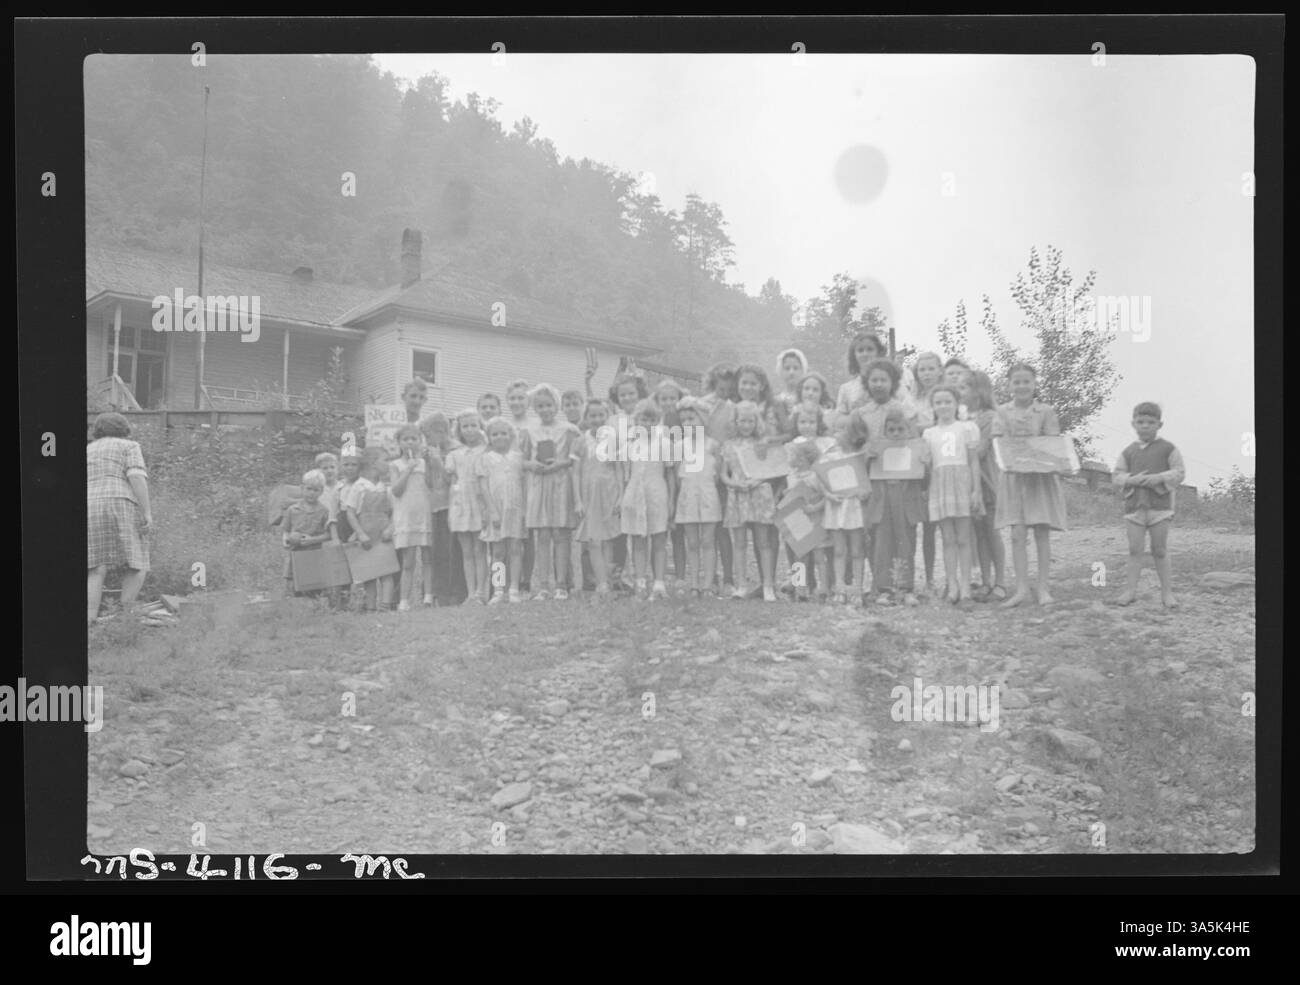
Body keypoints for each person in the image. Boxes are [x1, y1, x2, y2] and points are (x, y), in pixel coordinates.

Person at [992, 363, 1068, 608]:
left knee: (1041, 532)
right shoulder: (1002, 412)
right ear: (1009, 385)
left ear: (1034, 384)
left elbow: (1051, 442)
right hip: (1015, 478)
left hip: (1039, 478)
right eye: (1017, 382)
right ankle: (1022, 588)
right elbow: (999, 443)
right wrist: (1012, 455)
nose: (1022, 386)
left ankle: (1043, 588)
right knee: (1016, 533)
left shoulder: (1045, 411)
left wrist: (1037, 453)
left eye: (1026, 381)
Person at [1113, 402, 1184, 609]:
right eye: (1141, 422)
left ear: (1159, 424)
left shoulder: (1168, 449)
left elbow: (1179, 472)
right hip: (1134, 508)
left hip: (1159, 508)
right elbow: (1116, 476)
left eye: (1150, 422)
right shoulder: (1128, 451)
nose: (1145, 426)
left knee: (1159, 550)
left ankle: (1167, 593)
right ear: (1133, 424)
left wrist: (1158, 478)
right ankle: (1130, 591)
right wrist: (1132, 480)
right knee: (1135, 550)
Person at [87, 412, 153, 625]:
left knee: (96, 566)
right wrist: (146, 512)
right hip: (120, 501)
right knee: (137, 561)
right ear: (124, 429)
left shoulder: (88, 449)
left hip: (89, 503)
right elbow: (136, 476)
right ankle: (124, 616)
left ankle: (89, 619)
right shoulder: (129, 446)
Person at [520, 383, 581, 600]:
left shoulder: (569, 430)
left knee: (560, 534)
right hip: (539, 482)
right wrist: (531, 465)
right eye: (540, 406)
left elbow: (575, 459)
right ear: (535, 408)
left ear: (556, 406)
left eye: (548, 405)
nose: (545, 410)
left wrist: (560, 463)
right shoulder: (529, 430)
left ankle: (561, 584)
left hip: (560, 483)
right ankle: (544, 585)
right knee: (543, 535)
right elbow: (522, 458)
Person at [923, 387, 983, 606]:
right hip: (940, 484)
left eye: (947, 401)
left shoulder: (966, 428)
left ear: (956, 403)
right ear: (933, 406)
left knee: (964, 538)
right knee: (948, 538)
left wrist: (976, 489)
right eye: (938, 402)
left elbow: (973, 460)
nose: (943, 406)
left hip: (962, 483)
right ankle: (953, 585)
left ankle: (966, 587)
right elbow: (927, 464)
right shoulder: (929, 434)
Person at [864, 409, 928, 606]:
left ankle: (905, 588)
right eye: (891, 430)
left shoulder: (915, 449)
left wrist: (926, 466)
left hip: (906, 500)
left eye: (900, 429)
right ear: (885, 431)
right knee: (883, 544)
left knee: (906, 543)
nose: (896, 434)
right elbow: (866, 477)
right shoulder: (877, 449)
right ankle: (884, 588)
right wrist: (868, 459)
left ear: (908, 430)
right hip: (883, 501)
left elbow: (924, 483)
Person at [721, 400, 779, 601]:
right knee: (739, 542)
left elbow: (770, 470)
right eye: (742, 421)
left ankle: (768, 586)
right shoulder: (728, 445)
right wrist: (734, 484)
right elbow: (724, 474)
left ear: (756, 422)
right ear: (735, 421)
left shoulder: (761, 443)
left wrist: (757, 480)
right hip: (738, 494)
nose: (746, 425)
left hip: (759, 493)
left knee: (763, 541)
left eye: (750, 421)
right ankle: (741, 585)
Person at [620, 398, 675, 600]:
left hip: (657, 493)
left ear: (658, 421)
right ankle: (641, 581)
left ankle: (659, 583)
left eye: (652, 420)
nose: (647, 424)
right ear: (637, 421)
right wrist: (622, 497)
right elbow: (624, 474)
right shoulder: (630, 444)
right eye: (644, 419)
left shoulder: (665, 443)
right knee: (638, 540)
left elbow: (670, 474)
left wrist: (670, 501)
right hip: (635, 494)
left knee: (659, 539)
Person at [672, 397, 723, 597]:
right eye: (683, 421)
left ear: (702, 419)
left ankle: (708, 584)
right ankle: (694, 583)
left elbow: (717, 473)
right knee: (692, 542)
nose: (687, 424)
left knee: (708, 541)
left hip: (708, 494)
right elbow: (677, 474)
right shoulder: (680, 446)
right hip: (687, 495)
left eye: (692, 419)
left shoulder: (712, 445)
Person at [572, 397, 623, 600]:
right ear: (586, 418)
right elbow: (575, 472)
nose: (597, 419)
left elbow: (619, 469)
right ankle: (601, 583)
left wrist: (620, 496)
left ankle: (609, 582)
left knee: (609, 538)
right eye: (592, 415)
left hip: (609, 492)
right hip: (589, 495)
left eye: (601, 415)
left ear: (607, 417)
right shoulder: (580, 441)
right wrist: (577, 500)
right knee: (594, 541)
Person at [963, 371, 1007, 601]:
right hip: (969, 481)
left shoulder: (990, 417)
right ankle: (986, 580)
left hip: (987, 479)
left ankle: (1000, 581)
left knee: (992, 531)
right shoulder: (963, 417)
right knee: (978, 533)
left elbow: (979, 450)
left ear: (978, 390)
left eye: (965, 388)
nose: (962, 393)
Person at [821, 411, 870, 604]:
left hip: (854, 507)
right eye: (837, 429)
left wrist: (864, 492)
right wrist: (828, 494)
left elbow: (865, 482)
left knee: (857, 550)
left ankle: (857, 588)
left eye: (845, 428)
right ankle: (837, 587)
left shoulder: (861, 455)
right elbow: (822, 480)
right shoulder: (829, 455)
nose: (839, 433)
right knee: (838, 550)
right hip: (836, 506)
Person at [477, 417, 527, 603]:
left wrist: (524, 509)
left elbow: (524, 483)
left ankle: (513, 588)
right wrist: (492, 511)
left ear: (510, 435)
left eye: (503, 433)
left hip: (515, 507)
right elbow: (483, 487)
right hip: (496, 509)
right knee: (498, 551)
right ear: (489, 437)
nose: (500, 437)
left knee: (515, 548)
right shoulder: (485, 459)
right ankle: (498, 589)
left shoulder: (518, 457)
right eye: (495, 434)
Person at [697, 363, 737, 593]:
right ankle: (710, 577)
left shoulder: (732, 408)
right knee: (706, 527)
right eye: (720, 388)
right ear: (713, 384)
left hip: (723, 471)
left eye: (727, 390)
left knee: (722, 526)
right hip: (703, 469)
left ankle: (729, 577)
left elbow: (731, 438)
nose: (723, 393)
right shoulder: (701, 404)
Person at [446, 408, 490, 604]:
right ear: (459, 430)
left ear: (481, 427)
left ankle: (482, 592)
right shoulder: (455, 454)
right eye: (466, 426)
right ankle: (470, 593)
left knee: (480, 549)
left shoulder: (487, 451)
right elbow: (453, 484)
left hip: (480, 500)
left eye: (474, 425)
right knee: (467, 551)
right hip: (461, 502)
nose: (470, 430)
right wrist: (452, 508)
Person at [343, 451, 395, 611]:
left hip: (383, 533)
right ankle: (371, 607)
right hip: (366, 533)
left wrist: (390, 528)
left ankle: (385, 605)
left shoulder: (386, 487)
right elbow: (350, 512)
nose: (388, 464)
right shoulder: (359, 486)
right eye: (385, 460)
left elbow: (394, 511)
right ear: (373, 463)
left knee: (387, 571)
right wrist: (360, 533)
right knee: (369, 574)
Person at [779, 440, 830, 603]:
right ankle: (800, 588)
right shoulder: (790, 476)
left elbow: (826, 497)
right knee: (800, 555)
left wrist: (815, 507)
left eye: (801, 458)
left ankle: (824, 587)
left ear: (809, 460)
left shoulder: (815, 476)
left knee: (819, 556)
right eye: (795, 456)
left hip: (814, 519)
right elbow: (788, 497)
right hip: (797, 520)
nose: (796, 460)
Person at [389, 424, 432, 611]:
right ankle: (404, 600)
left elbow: (431, 484)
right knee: (408, 561)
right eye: (405, 439)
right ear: (399, 442)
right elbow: (396, 491)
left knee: (428, 559)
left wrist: (428, 463)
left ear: (420, 441)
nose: (410, 442)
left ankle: (428, 597)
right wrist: (408, 470)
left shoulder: (425, 463)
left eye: (414, 438)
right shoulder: (395, 465)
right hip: (406, 516)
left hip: (424, 514)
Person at [282, 469, 334, 598]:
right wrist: (285, 540)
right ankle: (296, 609)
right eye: (309, 489)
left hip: (314, 555)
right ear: (302, 488)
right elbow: (286, 530)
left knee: (314, 588)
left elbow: (329, 535)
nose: (311, 493)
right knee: (293, 586)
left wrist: (312, 540)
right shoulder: (292, 509)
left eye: (316, 490)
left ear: (321, 491)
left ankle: (315, 610)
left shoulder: (324, 511)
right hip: (295, 554)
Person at [774, 347, 810, 413]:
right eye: (787, 368)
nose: (791, 372)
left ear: (802, 370)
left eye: (795, 368)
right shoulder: (775, 400)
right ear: (781, 371)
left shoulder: (809, 399)